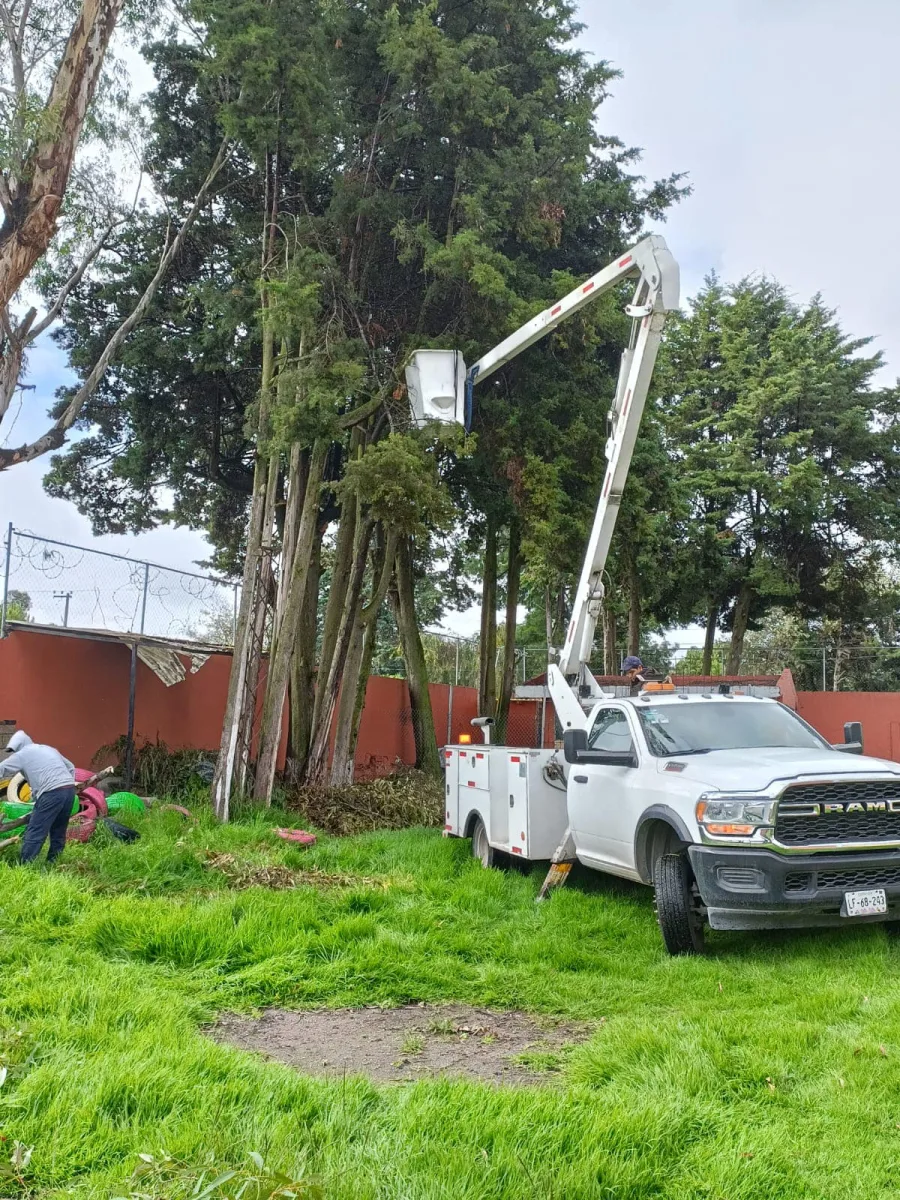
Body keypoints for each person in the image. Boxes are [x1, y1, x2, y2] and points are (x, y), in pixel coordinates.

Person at [2, 731, 76, 864]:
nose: (14, 753)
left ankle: (25, 866)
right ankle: (54, 862)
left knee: (36, 829)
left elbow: (1, 769)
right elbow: (71, 767)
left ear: (20, 746)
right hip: (69, 790)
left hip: (51, 793)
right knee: (58, 829)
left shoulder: (22, 754)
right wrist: (66, 784)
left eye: (14, 750)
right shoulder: (49, 749)